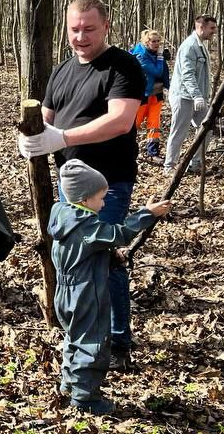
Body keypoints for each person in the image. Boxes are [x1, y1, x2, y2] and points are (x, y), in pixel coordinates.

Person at [16, 0, 145, 371]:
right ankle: (80, 326)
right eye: (74, 29)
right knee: (71, 256)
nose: (81, 36)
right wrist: (31, 137)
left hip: (109, 184)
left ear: (106, 26)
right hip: (68, 184)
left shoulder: (123, 67)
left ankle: (118, 340)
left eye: (89, 28)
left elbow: (120, 121)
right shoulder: (61, 72)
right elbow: (44, 116)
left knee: (105, 257)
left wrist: (64, 138)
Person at [50, 160, 170, 415]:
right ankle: (85, 398)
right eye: (100, 198)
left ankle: (69, 384)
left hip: (64, 293)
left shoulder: (62, 215)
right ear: (84, 199)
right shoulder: (87, 226)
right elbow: (121, 232)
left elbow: (87, 253)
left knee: (74, 338)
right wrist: (148, 213)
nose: (104, 204)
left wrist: (112, 258)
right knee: (93, 343)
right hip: (85, 294)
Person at [164, 14, 218, 174]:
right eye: (212, 28)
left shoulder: (200, 45)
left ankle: (195, 164)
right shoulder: (190, 46)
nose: (214, 32)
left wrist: (201, 96)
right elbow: (187, 75)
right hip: (184, 96)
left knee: (206, 130)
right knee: (179, 131)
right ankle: (170, 167)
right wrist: (196, 95)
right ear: (201, 27)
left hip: (197, 98)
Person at [129, 29, 170, 160]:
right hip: (142, 94)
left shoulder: (156, 54)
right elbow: (157, 71)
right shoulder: (140, 55)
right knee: (135, 122)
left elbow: (163, 73)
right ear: (147, 42)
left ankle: (153, 153)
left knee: (154, 124)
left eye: (158, 41)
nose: (156, 44)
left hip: (156, 94)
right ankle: (125, 149)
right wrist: (160, 57)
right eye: (153, 41)